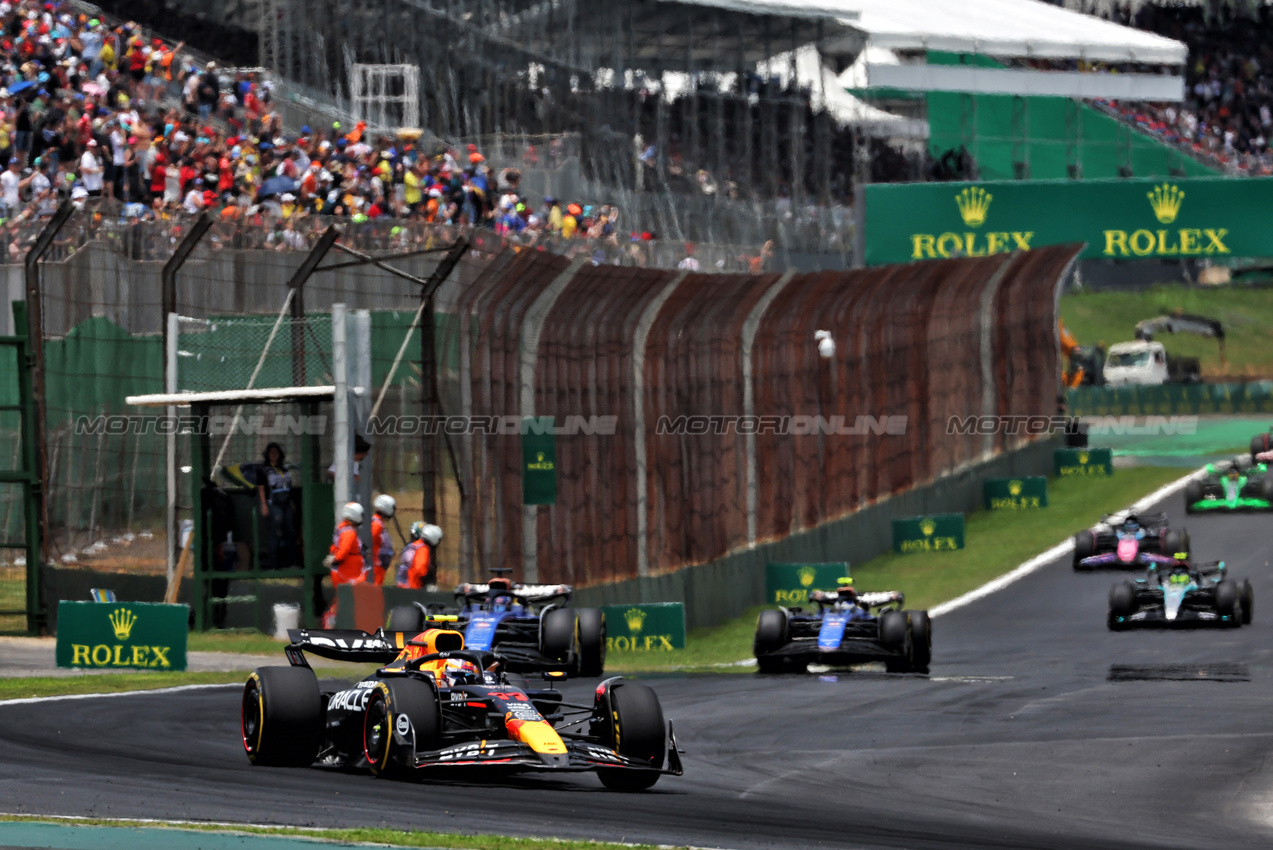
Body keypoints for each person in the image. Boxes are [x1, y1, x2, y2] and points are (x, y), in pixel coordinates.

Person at [256, 442, 295, 569]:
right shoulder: (263, 470)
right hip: (273, 504)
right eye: (271, 452)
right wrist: (264, 505)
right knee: (275, 531)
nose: (274, 455)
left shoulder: (284, 470)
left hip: (286, 503)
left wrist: (291, 502)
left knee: (290, 531)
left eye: (276, 452)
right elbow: (261, 488)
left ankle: (291, 563)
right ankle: (273, 565)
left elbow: (288, 487)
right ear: (267, 455)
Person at [324, 501, 366, 585]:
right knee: (351, 596)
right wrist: (335, 558)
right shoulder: (349, 532)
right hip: (348, 571)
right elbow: (344, 550)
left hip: (347, 570)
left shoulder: (345, 529)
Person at [397, 521, 442, 589]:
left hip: (402, 583)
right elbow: (420, 569)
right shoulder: (423, 549)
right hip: (413, 586)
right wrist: (428, 578)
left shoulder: (414, 544)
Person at [369, 494, 396, 585]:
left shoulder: (376, 522)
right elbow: (371, 539)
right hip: (376, 564)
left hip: (376, 563)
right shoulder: (377, 524)